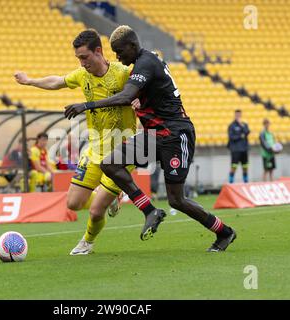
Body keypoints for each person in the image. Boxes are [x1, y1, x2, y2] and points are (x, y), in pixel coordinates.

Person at [64, 25, 237, 252]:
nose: (117, 57)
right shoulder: (142, 64)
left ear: (132, 46)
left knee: (177, 200)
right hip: (153, 134)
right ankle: (149, 210)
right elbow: (131, 95)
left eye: (119, 52)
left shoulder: (147, 63)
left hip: (176, 135)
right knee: (110, 162)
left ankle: (224, 232)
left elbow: (126, 95)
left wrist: (86, 105)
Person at [14, 29, 137, 255]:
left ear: (98, 51)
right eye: (78, 58)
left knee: (96, 212)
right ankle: (108, 197)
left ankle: (87, 242)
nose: (81, 63)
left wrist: (140, 101)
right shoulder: (83, 75)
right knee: (73, 204)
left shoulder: (121, 73)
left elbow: (142, 90)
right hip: (94, 149)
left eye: (84, 57)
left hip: (123, 151)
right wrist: (30, 81)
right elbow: (57, 82)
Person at [227, 109, 250, 183]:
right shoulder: (231, 125)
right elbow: (231, 137)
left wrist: (241, 125)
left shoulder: (244, 124)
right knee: (234, 166)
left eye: (239, 115)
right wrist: (240, 136)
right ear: (235, 115)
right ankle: (231, 182)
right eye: (237, 115)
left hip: (244, 149)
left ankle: (246, 182)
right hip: (235, 150)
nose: (238, 116)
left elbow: (247, 132)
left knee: (245, 166)